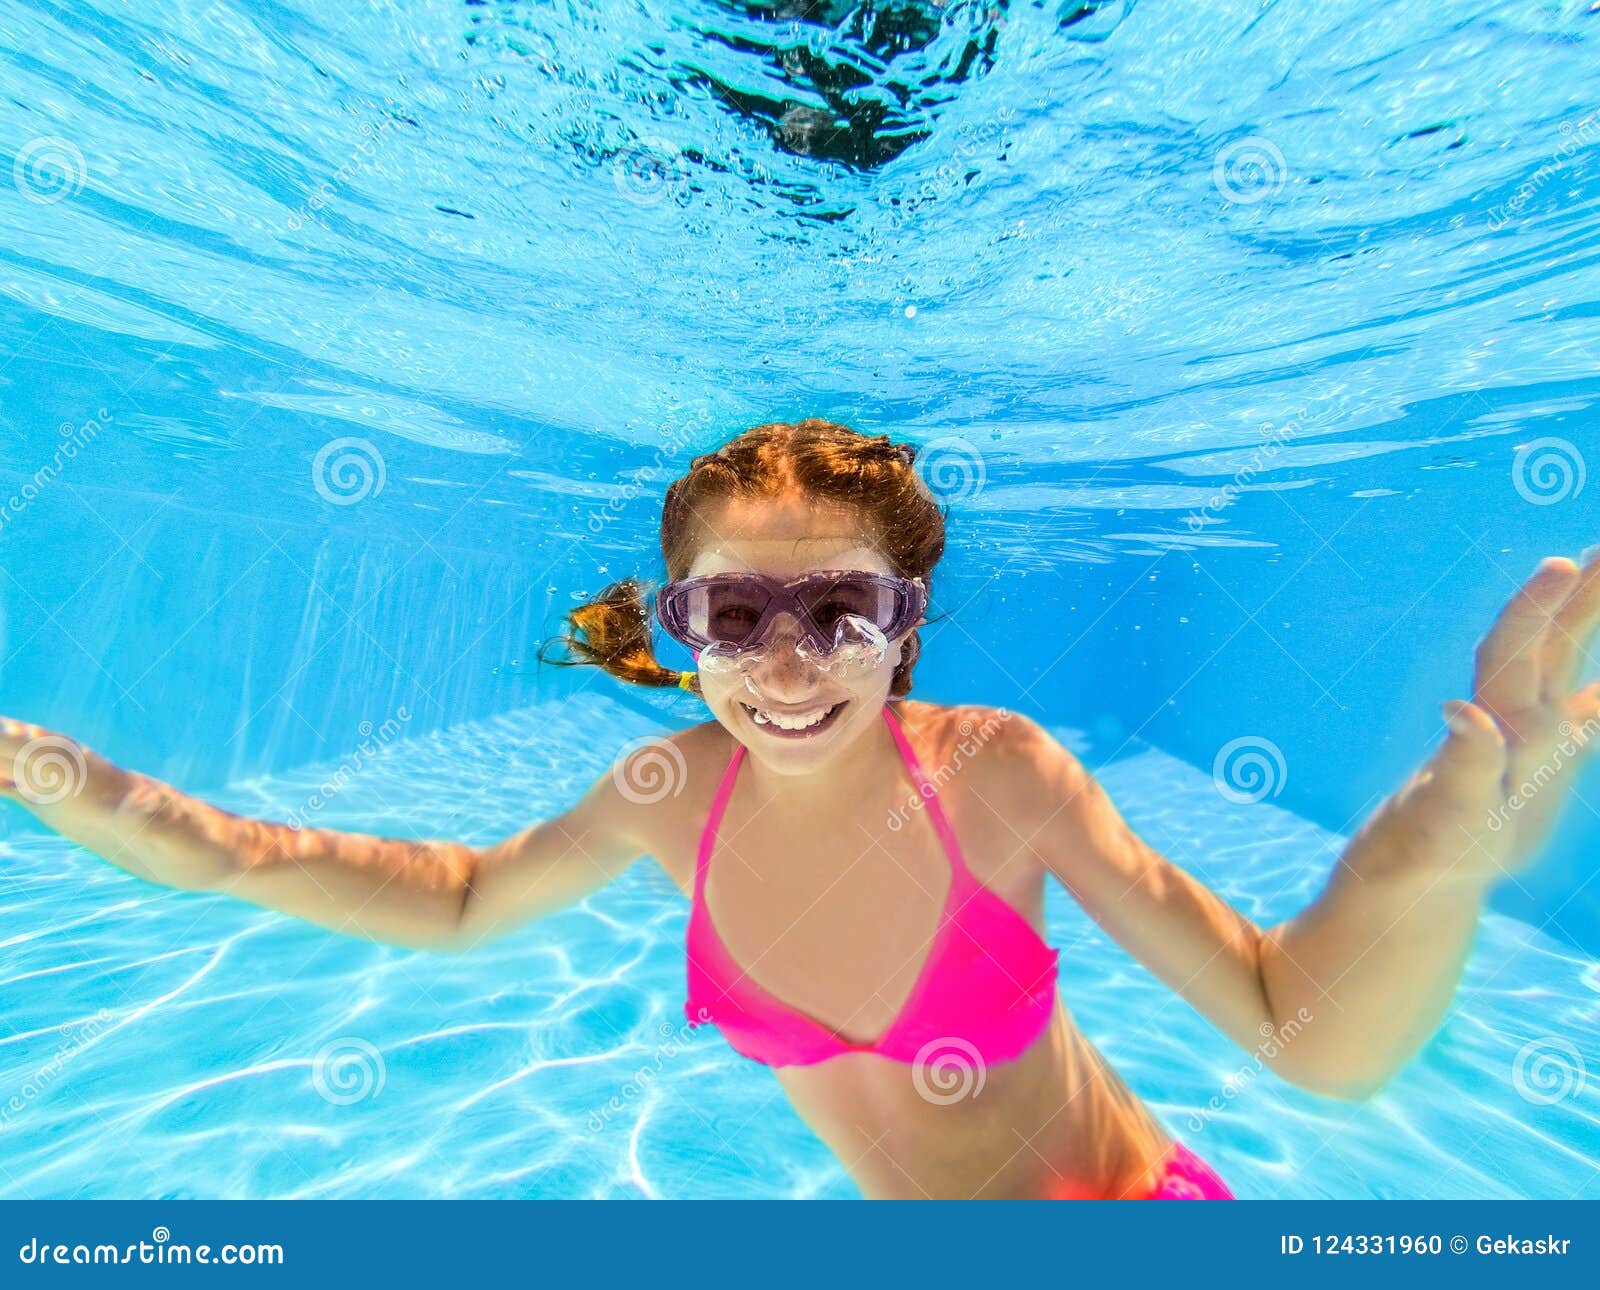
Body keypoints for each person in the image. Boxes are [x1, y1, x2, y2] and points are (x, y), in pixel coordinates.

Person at [4, 418, 1597, 1200]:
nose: (785, 667)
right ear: (674, 627)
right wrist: (190, 838)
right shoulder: (661, 795)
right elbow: (461, 898)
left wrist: (1424, 865)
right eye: (733, 617)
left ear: (908, 623)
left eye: (840, 610)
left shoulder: (997, 779)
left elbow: (1295, 1028)